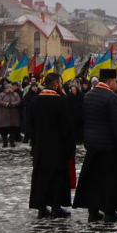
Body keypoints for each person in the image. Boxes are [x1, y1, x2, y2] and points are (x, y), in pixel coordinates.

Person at [73, 69, 117, 222]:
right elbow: (116, 125)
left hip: (92, 144)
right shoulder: (111, 98)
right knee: (109, 180)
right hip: (109, 146)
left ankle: (93, 211)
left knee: (92, 179)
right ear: (110, 81)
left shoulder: (88, 95)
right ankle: (110, 212)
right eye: (115, 82)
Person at [28, 73, 75, 219]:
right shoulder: (60, 101)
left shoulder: (35, 101)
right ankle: (56, 207)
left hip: (40, 146)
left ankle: (41, 207)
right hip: (57, 146)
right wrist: (70, 146)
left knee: (41, 177)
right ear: (55, 84)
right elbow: (66, 126)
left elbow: (29, 125)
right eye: (60, 83)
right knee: (57, 178)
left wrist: (34, 143)